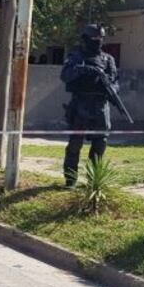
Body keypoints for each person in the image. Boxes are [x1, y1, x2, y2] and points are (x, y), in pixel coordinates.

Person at [60, 24, 118, 186]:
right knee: (75, 143)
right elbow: (65, 76)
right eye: (94, 39)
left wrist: (110, 88)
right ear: (86, 39)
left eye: (100, 38)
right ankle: (70, 180)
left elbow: (115, 81)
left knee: (101, 142)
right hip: (81, 105)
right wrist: (84, 70)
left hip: (100, 106)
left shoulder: (108, 59)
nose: (97, 41)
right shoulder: (76, 57)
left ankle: (94, 180)